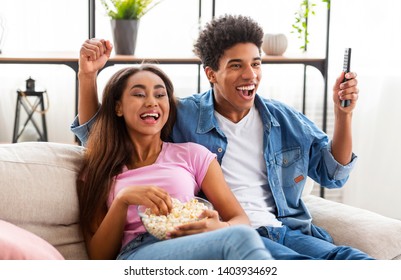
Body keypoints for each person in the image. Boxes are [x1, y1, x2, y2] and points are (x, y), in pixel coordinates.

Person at [72, 15, 373, 260]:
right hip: (232, 234)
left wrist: (343, 115)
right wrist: (87, 76)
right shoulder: (182, 115)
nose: (250, 74)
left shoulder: (282, 118)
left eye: (256, 63)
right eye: (236, 65)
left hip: (284, 228)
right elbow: (100, 135)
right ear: (211, 74)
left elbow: (333, 173)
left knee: (350, 259)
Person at [76, 62, 272, 260]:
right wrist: (123, 199)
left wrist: (219, 227)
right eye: (139, 94)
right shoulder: (99, 168)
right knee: (240, 239)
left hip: (196, 243)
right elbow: (99, 258)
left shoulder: (194, 154)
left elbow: (240, 219)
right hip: (138, 253)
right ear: (118, 107)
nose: (152, 102)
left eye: (160, 95)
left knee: (243, 236)